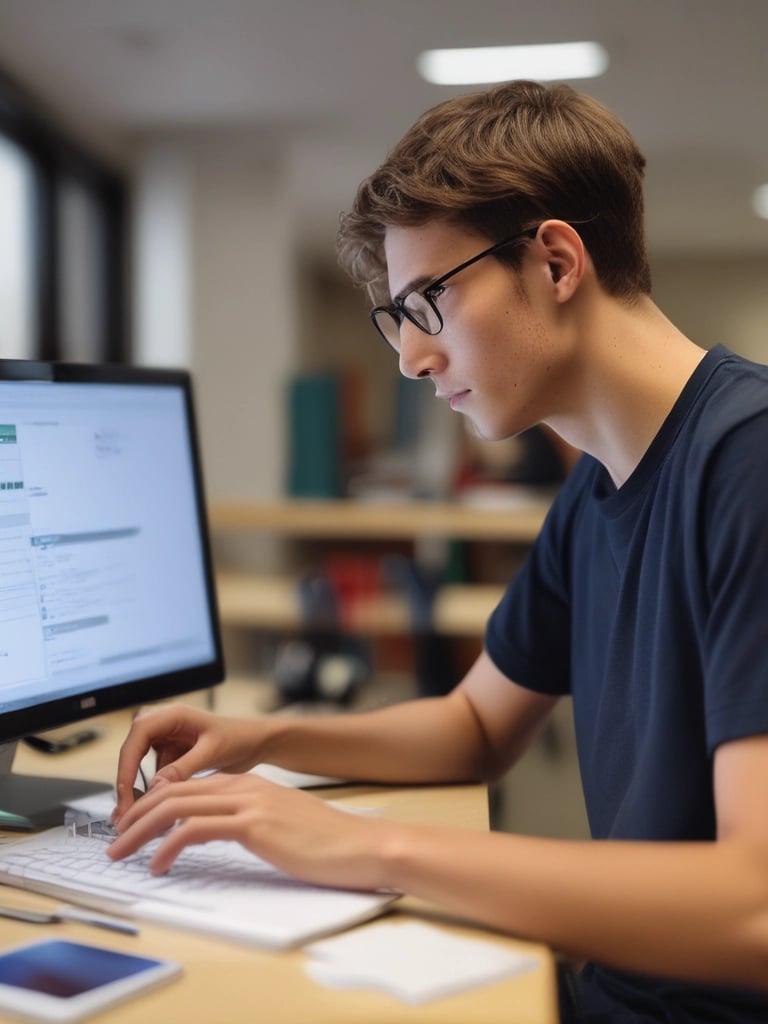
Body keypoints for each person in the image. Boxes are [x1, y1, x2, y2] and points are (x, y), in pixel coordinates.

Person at [109, 80, 768, 1022]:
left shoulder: (747, 461)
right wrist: (265, 742)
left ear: (554, 260)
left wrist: (362, 847)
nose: (412, 360)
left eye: (429, 304)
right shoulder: (598, 487)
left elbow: (755, 909)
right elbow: (475, 726)